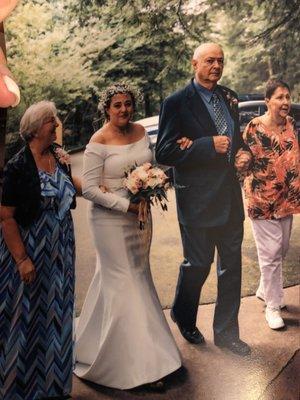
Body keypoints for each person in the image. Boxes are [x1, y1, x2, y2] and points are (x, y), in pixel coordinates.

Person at [74, 83, 185, 390]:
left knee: (134, 277)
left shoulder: (139, 131)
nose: (124, 109)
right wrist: (126, 203)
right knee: (126, 282)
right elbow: (91, 188)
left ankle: (90, 343)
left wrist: (153, 182)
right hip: (109, 221)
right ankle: (143, 367)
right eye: (117, 105)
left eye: (128, 103)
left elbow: (150, 164)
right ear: (106, 109)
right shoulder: (97, 141)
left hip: (141, 216)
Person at [155, 43, 252, 356]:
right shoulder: (176, 103)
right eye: (210, 60)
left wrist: (242, 154)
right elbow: (164, 152)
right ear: (194, 63)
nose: (216, 66)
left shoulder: (229, 96)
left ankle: (226, 334)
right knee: (198, 264)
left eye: (221, 60)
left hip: (229, 198)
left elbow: (236, 141)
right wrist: (206, 145)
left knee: (232, 267)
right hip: (196, 201)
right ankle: (183, 314)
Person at [0, 101, 81, 399]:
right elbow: (6, 217)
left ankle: (56, 386)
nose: (56, 124)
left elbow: (71, 189)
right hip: (31, 249)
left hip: (61, 251)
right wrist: (22, 259)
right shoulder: (18, 166)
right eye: (51, 121)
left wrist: (108, 190)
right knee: (26, 318)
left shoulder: (58, 158)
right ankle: (20, 389)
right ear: (35, 129)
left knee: (58, 313)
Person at [242, 78, 300, 330]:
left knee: (282, 249)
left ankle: (265, 290)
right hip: (262, 199)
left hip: (287, 199)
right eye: (280, 97)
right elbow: (243, 157)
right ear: (267, 101)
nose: (285, 102)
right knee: (269, 255)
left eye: (287, 97)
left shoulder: (291, 124)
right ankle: (273, 307)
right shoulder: (254, 127)